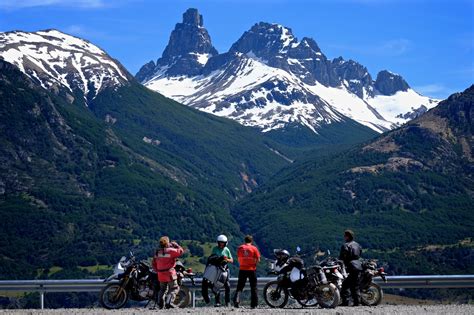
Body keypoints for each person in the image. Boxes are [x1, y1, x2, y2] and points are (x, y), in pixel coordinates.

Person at [152, 236, 184, 309]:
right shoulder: (170, 251)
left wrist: (157, 270)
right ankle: (169, 302)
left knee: (162, 289)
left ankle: (160, 304)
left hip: (160, 274)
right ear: (167, 243)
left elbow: (153, 263)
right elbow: (181, 251)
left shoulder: (157, 252)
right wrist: (176, 245)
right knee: (174, 288)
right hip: (169, 273)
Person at [202, 234, 233, 307]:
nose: (221, 244)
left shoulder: (227, 249)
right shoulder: (215, 249)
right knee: (215, 285)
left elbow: (231, 260)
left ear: (225, 243)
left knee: (227, 285)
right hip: (217, 269)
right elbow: (213, 258)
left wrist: (226, 259)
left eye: (223, 243)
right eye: (220, 243)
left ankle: (227, 302)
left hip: (224, 269)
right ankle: (217, 302)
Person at [233, 235, 260, 308]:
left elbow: (238, 258)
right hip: (252, 269)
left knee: (240, 287)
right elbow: (258, 259)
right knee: (253, 287)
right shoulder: (254, 248)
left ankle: (236, 302)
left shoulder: (240, 248)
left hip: (242, 269)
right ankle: (254, 305)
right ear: (251, 241)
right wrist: (254, 265)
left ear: (245, 241)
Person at [339, 229, 363, 306]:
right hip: (359, 266)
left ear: (348, 236)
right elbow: (360, 253)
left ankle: (348, 302)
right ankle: (355, 302)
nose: (344, 237)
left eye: (345, 235)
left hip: (351, 267)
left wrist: (340, 261)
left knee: (347, 285)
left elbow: (342, 257)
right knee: (354, 285)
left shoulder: (345, 245)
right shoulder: (357, 245)